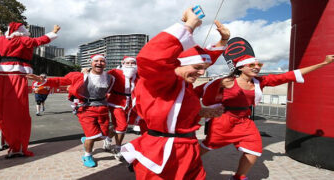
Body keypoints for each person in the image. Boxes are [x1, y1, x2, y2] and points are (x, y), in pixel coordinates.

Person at [120, 7, 229, 179]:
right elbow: (150, 59)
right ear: (178, 64)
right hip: (161, 151)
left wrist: (223, 40)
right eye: (198, 68)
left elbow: (197, 60)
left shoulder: (185, 85)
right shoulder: (158, 82)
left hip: (189, 150)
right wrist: (189, 25)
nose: (202, 73)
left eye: (204, 69)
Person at [198, 51, 334, 179]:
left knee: (254, 149)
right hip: (224, 120)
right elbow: (200, 91)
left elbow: (287, 76)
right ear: (240, 68)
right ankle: (184, 162)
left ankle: (239, 177)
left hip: (244, 121)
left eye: (259, 65)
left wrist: (323, 63)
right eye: (252, 65)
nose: (257, 67)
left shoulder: (260, 81)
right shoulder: (226, 81)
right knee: (208, 146)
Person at [27, 54, 114, 168]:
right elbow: (60, 81)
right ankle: (87, 155)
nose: (99, 63)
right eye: (96, 61)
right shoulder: (80, 76)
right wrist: (42, 80)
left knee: (104, 135)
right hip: (86, 108)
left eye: (102, 61)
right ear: (91, 63)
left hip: (102, 108)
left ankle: (86, 139)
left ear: (105, 64)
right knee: (92, 136)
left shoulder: (110, 78)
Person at [0, 22, 60, 157]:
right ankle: (16, 146)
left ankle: (1, 141)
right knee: (16, 111)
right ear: (21, 31)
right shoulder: (23, 39)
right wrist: (54, 32)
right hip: (17, 78)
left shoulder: (1, 40)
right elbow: (39, 40)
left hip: (2, 78)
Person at [104, 56, 138, 160]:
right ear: (123, 63)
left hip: (130, 103)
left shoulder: (137, 74)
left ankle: (108, 139)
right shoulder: (115, 72)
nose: (130, 65)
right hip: (116, 102)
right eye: (128, 63)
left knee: (118, 126)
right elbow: (101, 79)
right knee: (122, 126)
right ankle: (118, 148)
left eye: (133, 63)